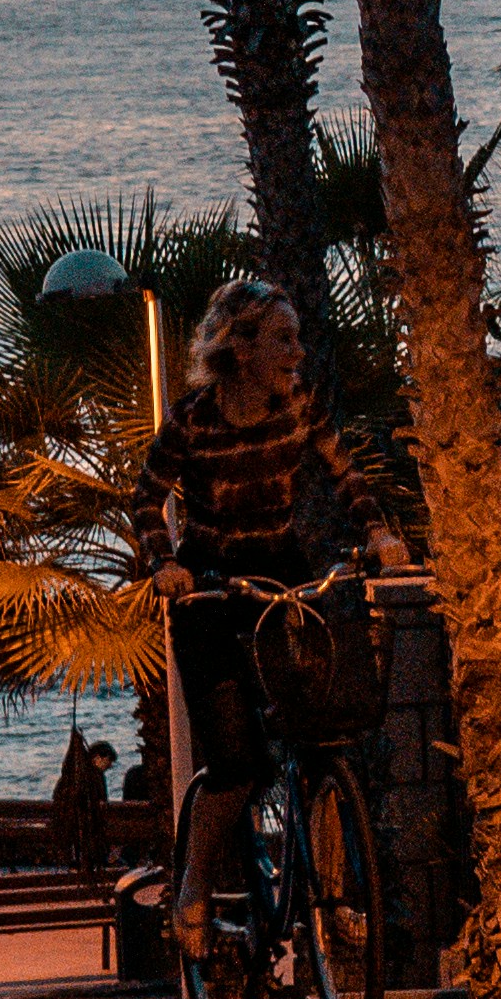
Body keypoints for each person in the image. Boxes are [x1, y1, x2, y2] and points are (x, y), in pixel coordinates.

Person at [128, 279, 384, 955]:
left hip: (282, 565)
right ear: (241, 350)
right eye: (283, 339)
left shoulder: (296, 405)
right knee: (235, 762)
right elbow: (146, 499)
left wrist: (379, 534)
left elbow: (344, 472)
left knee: (320, 734)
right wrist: (164, 565)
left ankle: (330, 897)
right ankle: (194, 887)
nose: (298, 352)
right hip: (209, 583)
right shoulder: (192, 420)